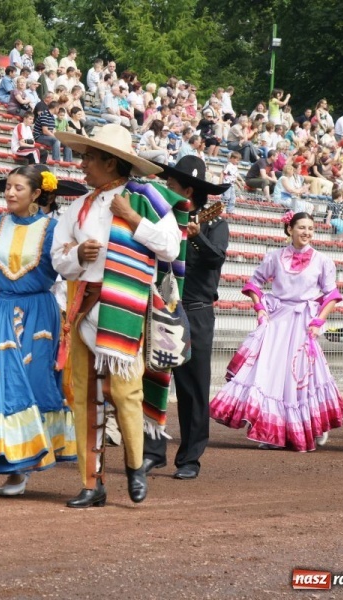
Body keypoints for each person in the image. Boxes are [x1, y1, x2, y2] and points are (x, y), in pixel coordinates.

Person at [52, 124, 188, 507]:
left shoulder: (144, 197)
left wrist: (132, 217)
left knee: (127, 393)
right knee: (84, 396)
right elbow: (57, 257)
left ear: (111, 162)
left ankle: (134, 466)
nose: (83, 164)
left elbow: (171, 248)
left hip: (123, 307)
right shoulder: (78, 206)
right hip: (82, 306)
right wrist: (78, 256)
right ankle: (90, 481)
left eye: (90, 157)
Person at [0, 164, 78, 495]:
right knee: (4, 381)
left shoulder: (53, 230)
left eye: (17, 188)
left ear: (37, 194)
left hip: (41, 313)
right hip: (3, 310)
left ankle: (25, 463)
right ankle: (16, 466)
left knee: (34, 382)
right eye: (8, 187)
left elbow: (72, 270)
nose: (10, 192)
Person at [210, 211, 343, 452]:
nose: (306, 232)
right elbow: (254, 283)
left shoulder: (323, 260)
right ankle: (271, 430)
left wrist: (318, 322)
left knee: (303, 375)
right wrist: (260, 309)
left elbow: (331, 295)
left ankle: (312, 427)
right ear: (289, 229)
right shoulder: (273, 257)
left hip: (304, 323)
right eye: (301, 227)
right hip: (277, 322)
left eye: (310, 228)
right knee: (271, 375)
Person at [141, 156, 229, 480]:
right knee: (154, 381)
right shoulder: (163, 216)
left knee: (193, 390)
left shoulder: (216, 221)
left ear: (187, 190)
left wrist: (194, 236)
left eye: (172, 185)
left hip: (196, 312)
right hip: (161, 307)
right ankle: (152, 452)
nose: (167, 189)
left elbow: (216, 258)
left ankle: (190, 458)